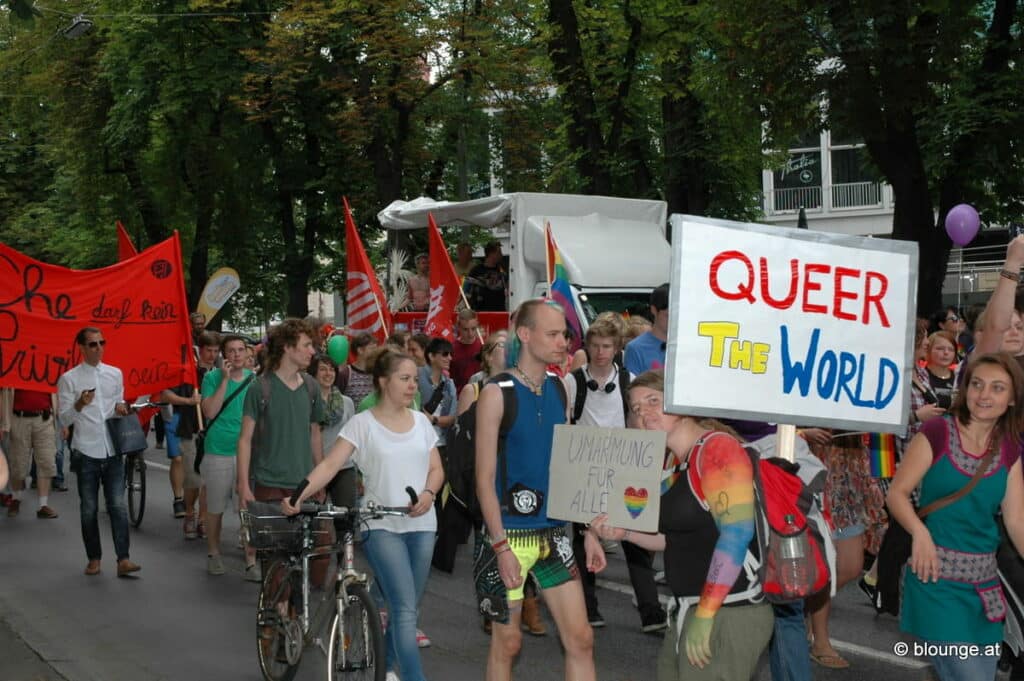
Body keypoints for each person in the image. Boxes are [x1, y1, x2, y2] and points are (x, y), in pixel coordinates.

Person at [592, 370, 773, 681]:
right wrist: (626, 533)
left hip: (727, 611)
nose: (644, 413)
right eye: (636, 408)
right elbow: (674, 539)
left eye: (654, 401)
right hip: (688, 609)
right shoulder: (675, 461)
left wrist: (705, 613)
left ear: (682, 400)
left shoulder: (718, 449)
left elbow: (737, 533)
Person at [284, 348, 443, 681]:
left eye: (415, 379)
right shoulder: (362, 423)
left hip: (423, 525)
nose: (413, 385)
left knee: (407, 606)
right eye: (405, 378)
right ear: (383, 382)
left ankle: (385, 668)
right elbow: (329, 464)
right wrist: (299, 494)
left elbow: (436, 470)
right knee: (403, 611)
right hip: (380, 525)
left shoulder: (421, 422)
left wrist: (428, 494)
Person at [474, 298, 603, 681]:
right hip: (508, 535)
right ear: (525, 335)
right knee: (508, 643)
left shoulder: (560, 388)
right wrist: (500, 548)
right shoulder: (497, 392)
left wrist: (588, 530)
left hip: (553, 532)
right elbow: (483, 479)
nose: (563, 341)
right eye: (553, 333)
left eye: (564, 333)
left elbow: (566, 468)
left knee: (580, 639)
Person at [888, 352, 1024, 681]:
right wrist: (919, 532)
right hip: (935, 581)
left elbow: (1017, 522)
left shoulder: (1009, 448)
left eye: (997, 388)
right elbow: (897, 494)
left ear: (1012, 399)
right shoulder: (937, 432)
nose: (984, 395)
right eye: (977, 385)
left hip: (984, 591)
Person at [236, 318, 324, 582]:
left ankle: (293, 614)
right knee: (276, 563)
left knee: (308, 561)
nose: (312, 351)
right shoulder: (260, 387)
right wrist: (243, 485)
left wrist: (321, 477)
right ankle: (275, 617)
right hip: (270, 484)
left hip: (305, 486)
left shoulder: (311, 386)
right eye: (307, 345)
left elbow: (315, 435)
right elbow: (244, 439)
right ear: (287, 347)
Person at [564, 317, 633, 628]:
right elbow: (565, 425)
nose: (600, 352)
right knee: (583, 537)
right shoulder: (572, 381)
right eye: (594, 345)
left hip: (620, 466)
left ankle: (650, 610)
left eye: (606, 346)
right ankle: (588, 606)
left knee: (631, 534)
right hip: (583, 466)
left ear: (616, 348)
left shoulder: (630, 381)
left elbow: (635, 423)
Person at [57, 327, 140, 577]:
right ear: (81, 348)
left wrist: (122, 409)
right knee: (89, 508)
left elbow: (116, 407)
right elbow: (63, 419)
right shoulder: (69, 378)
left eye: (102, 343)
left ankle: (123, 559)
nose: (99, 348)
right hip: (85, 450)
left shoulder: (115, 374)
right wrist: (80, 404)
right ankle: (94, 557)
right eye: (93, 344)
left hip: (112, 449)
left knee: (117, 505)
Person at [620, 282, 671, 633]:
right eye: (667, 312)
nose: (673, 318)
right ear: (654, 310)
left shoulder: (689, 342)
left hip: (679, 444)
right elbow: (636, 404)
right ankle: (647, 597)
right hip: (650, 447)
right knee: (641, 518)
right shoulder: (638, 349)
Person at [200, 333, 255, 578]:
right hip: (219, 451)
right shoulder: (212, 378)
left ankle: (251, 560)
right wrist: (224, 380)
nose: (236, 355)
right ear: (224, 355)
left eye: (240, 350)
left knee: (247, 508)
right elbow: (210, 411)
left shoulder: (255, 380)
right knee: (216, 507)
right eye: (231, 350)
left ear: (246, 353)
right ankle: (213, 552)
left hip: (248, 452)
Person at [2, 389, 59, 519]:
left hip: (45, 418)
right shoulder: (13, 370)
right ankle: (16, 498)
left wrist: (64, 422)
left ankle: (43, 505)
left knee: (47, 461)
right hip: (18, 419)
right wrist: (3, 424)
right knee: (17, 462)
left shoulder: (49, 369)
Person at [309, 354, 356, 508]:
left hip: (343, 468)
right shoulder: (305, 402)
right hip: (313, 467)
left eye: (331, 370)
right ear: (313, 373)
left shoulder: (347, 402)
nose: (328, 373)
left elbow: (353, 438)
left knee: (345, 517)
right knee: (315, 517)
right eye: (322, 369)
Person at [338, 332, 379, 407]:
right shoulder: (346, 374)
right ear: (360, 350)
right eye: (372, 349)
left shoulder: (377, 373)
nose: (375, 352)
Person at [465, 241, 508, 312]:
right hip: (480, 311)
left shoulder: (502, 270)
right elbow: (466, 291)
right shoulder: (476, 270)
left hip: (499, 311)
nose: (501, 255)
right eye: (499, 252)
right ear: (491, 254)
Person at [451, 309, 483, 393]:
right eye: (465, 329)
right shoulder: (451, 349)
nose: (470, 334)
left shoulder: (484, 346)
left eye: (473, 329)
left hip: (481, 394)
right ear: (458, 327)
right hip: (459, 396)